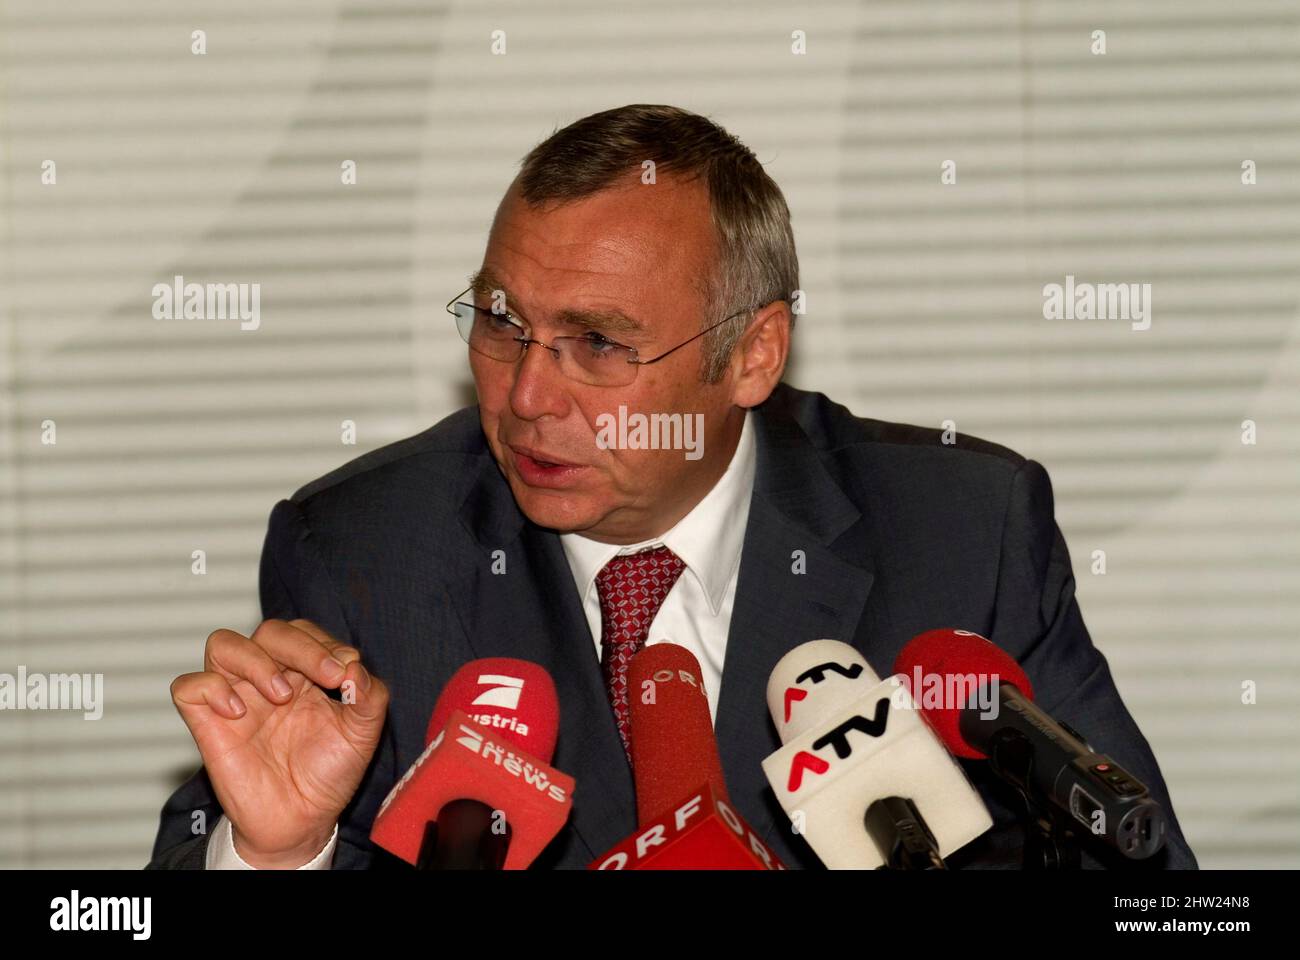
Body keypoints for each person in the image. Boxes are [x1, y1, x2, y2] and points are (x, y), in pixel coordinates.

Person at [148, 104, 1197, 870]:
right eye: (503, 323)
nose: (526, 398)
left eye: (598, 343)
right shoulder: (365, 550)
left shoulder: (963, 535)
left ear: (752, 355)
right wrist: (275, 854)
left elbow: (1156, 889)